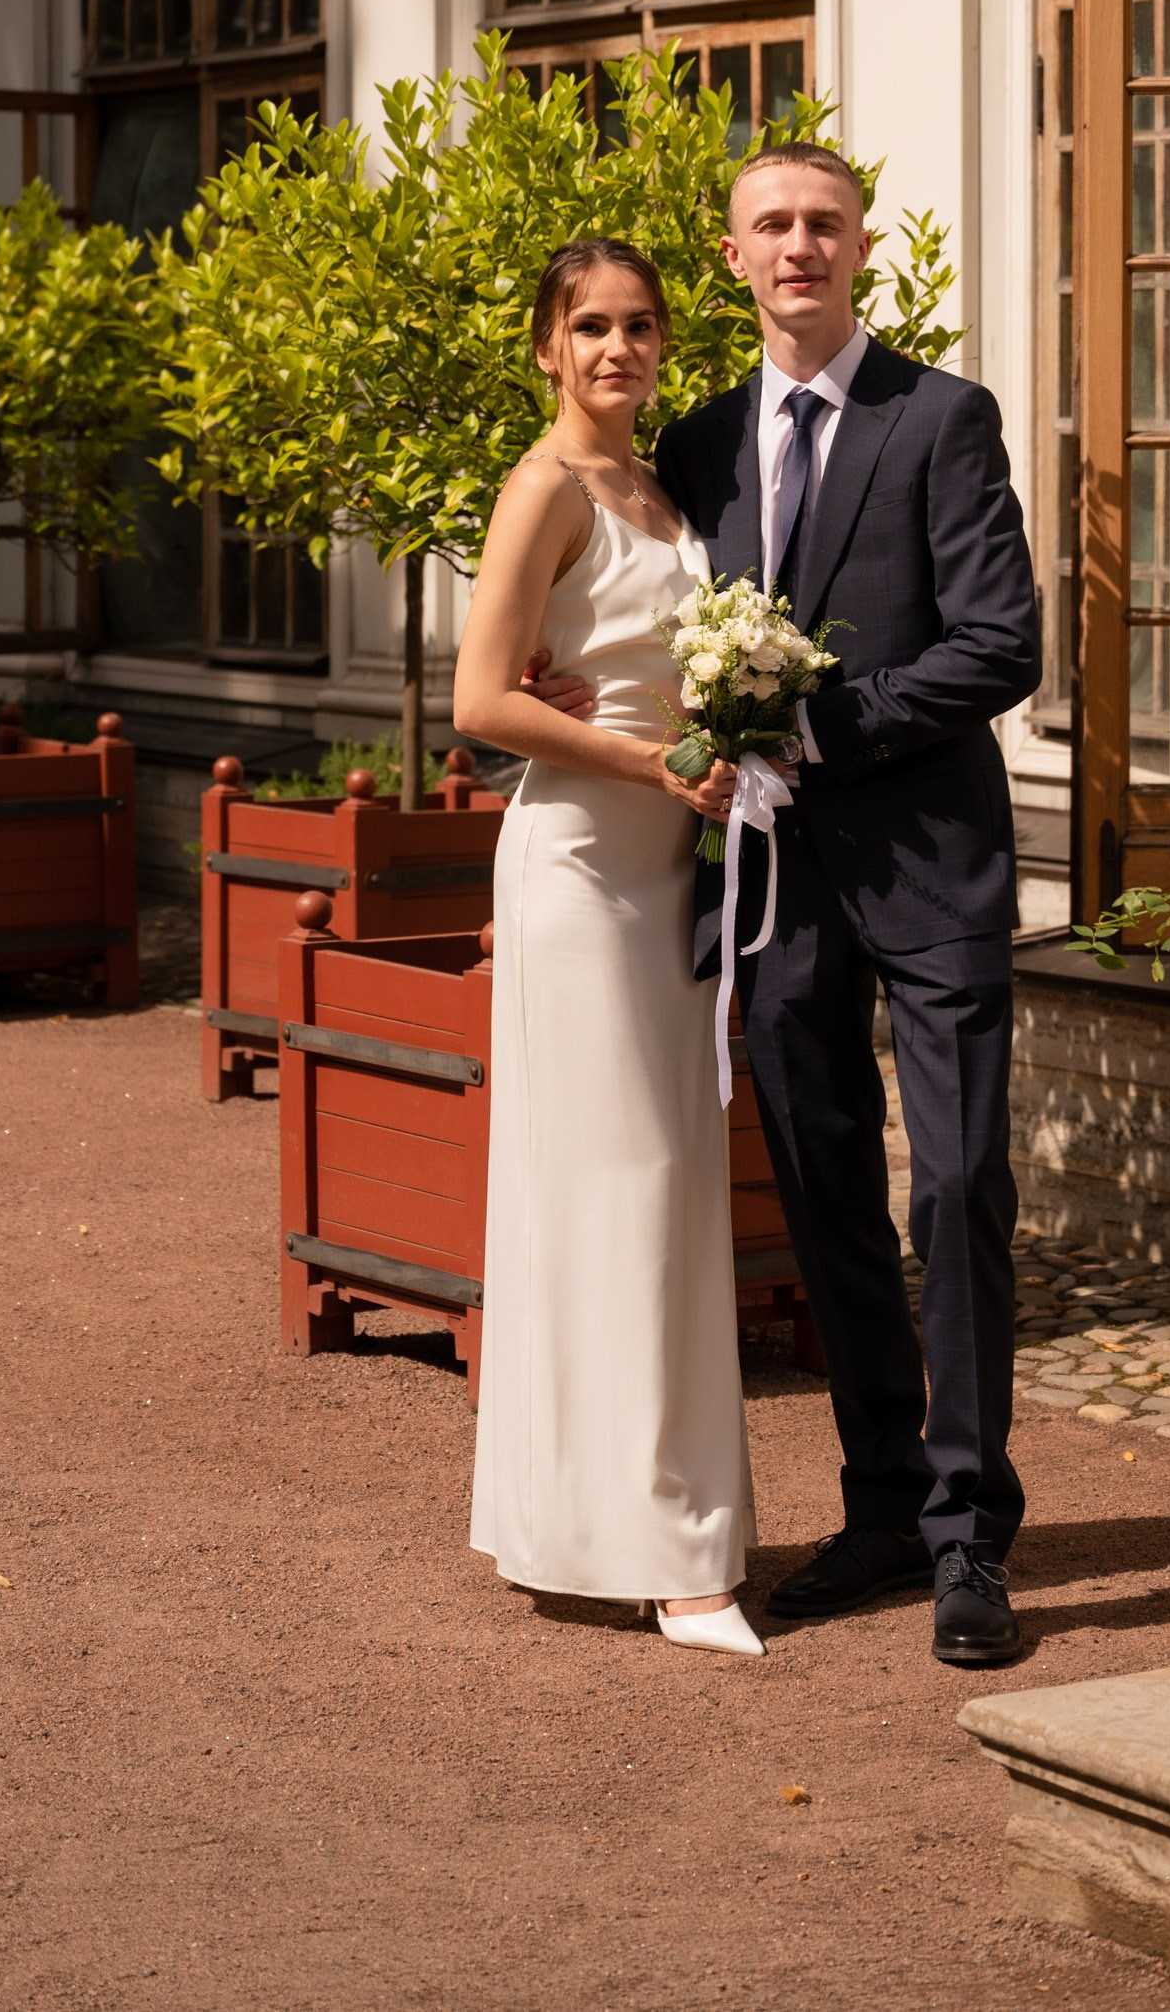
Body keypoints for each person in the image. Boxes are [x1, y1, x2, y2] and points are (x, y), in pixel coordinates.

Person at [532, 143, 1039, 1667]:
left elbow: (1000, 644)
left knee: (957, 1187)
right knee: (825, 1197)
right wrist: (574, 682)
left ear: (860, 246)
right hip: (775, 887)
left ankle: (970, 1534)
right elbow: (641, 605)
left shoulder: (941, 418)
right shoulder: (696, 439)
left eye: (824, 222)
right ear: (736, 258)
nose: (799, 244)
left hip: (934, 866)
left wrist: (818, 724)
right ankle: (881, 1507)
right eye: (772, 225)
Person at [454, 237, 763, 1657]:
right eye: (589, 326)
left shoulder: (661, 486)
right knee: (617, 1189)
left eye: (638, 325)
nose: (616, 348)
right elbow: (480, 704)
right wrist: (653, 763)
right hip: (581, 868)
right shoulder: (545, 487)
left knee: (667, 1186)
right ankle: (663, 1557)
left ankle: (616, 1523)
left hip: (671, 869)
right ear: (546, 346)